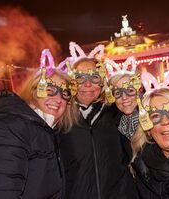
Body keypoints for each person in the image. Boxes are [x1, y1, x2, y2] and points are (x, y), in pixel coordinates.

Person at [0, 49, 78, 198]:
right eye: (49, 89)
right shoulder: (9, 127)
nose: (58, 98)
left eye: (65, 94)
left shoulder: (46, 131)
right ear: (32, 90)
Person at [59, 42, 138, 199]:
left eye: (94, 78)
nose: (88, 84)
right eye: (80, 78)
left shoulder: (117, 113)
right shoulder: (60, 118)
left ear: (102, 83)